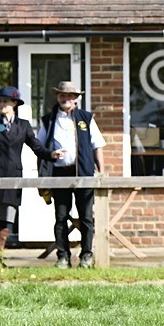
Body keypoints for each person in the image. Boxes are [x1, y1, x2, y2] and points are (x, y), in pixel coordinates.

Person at [0, 86, 63, 270]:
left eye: (5, 101)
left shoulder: (23, 125)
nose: (1, 104)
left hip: (14, 178)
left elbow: (37, 147)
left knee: (6, 220)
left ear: (14, 104)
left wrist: (51, 154)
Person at [38, 81, 106, 268]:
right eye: (62, 95)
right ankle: (63, 256)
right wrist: (48, 159)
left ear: (76, 98)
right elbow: (40, 148)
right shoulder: (48, 120)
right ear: (57, 97)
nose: (66, 98)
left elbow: (97, 145)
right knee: (61, 216)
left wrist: (101, 171)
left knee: (86, 217)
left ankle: (86, 255)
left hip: (83, 172)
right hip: (59, 172)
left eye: (70, 95)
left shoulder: (86, 118)